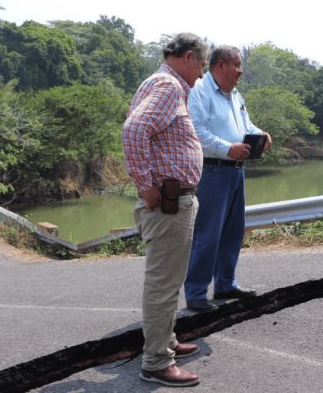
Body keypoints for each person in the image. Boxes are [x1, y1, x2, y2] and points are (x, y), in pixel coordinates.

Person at [122, 33, 208, 387]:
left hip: (175, 199)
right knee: (163, 282)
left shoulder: (163, 84)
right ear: (188, 57)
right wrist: (145, 185)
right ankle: (157, 361)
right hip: (169, 202)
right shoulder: (167, 85)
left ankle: (165, 340)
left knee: (170, 279)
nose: (201, 74)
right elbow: (134, 130)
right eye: (202, 65)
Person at [183, 45, 271, 313]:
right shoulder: (199, 90)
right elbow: (196, 132)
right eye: (237, 65)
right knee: (208, 234)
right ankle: (197, 292)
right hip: (212, 170)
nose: (240, 71)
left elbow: (246, 126)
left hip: (235, 170)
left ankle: (225, 283)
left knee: (233, 231)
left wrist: (261, 133)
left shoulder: (234, 95)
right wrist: (227, 148)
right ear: (220, 65)